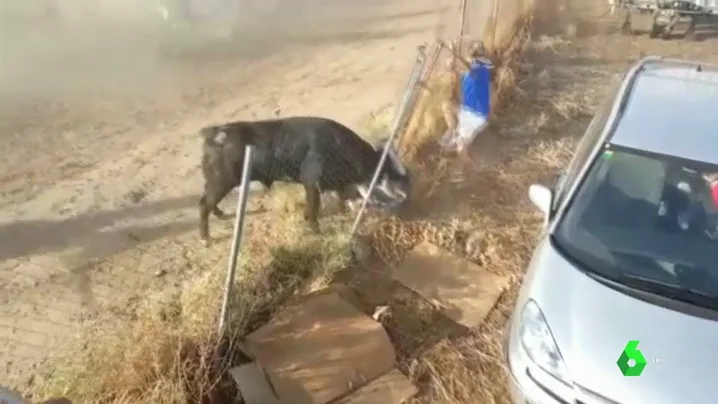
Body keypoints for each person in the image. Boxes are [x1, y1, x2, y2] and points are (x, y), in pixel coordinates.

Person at [437, 39, 493, 169]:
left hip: (475, 116)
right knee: (447, 105)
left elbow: (467, 67)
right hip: (467, 110)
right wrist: (452, 54)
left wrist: (454, 52)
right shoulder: (469, 68)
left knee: (461, 149)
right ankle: (453, 131)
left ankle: (471, 169)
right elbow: (450, 66)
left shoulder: (483, 66)